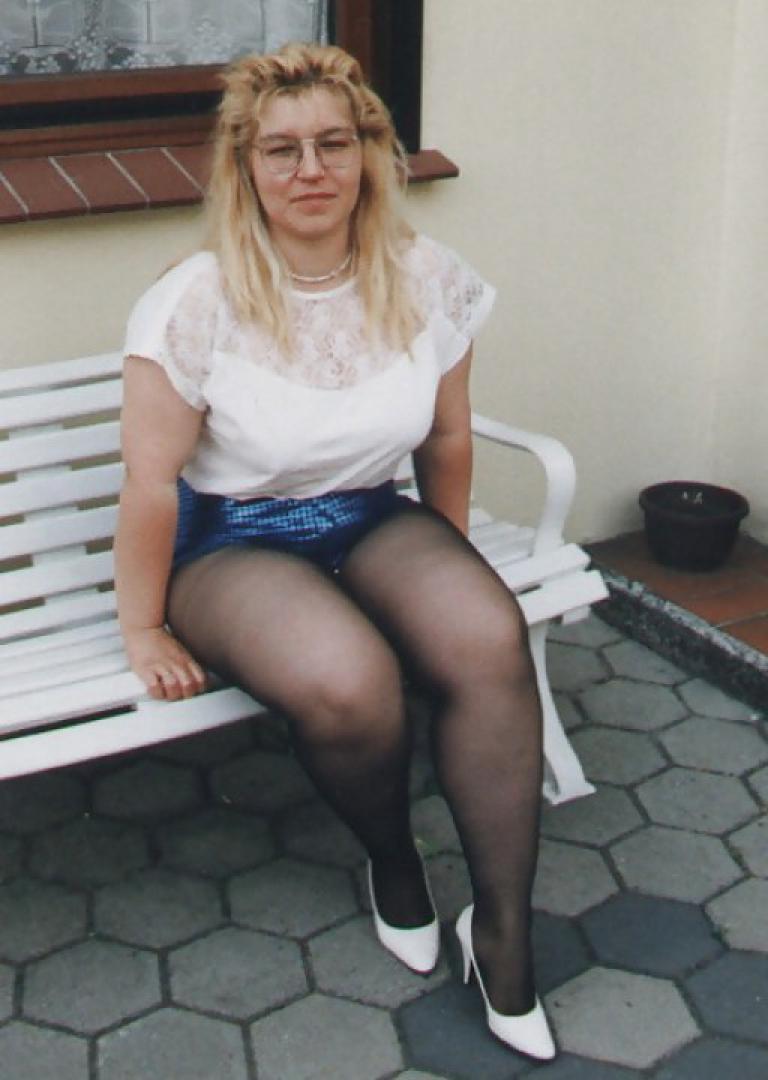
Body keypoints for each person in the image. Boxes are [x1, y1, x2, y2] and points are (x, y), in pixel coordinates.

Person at [114, 42, 556, 1061]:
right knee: (350, 685)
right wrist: (142, 627)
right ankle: (393, 860)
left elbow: (448, 437)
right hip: (230, 541)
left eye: (334, 143)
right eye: (282, 150)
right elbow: (149, 484)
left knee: (485, 634)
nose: (311, 169)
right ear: (245, 167)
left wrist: (445, 565)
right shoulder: (196, 299)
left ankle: (503, 936)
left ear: (370, 155)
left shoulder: (424, 276)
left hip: (367, 514)